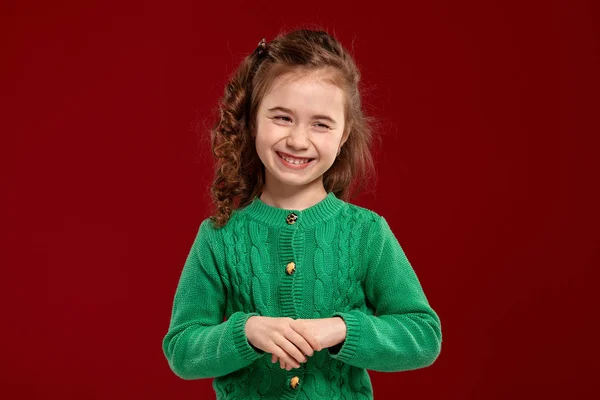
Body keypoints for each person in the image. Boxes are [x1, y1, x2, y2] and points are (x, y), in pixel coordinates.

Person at [162, 28, 442, 399]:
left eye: (321, 124)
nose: (298, 140)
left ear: (343, 136)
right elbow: (182, 350)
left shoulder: (366, 232)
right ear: (251, 120)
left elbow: (422, 336)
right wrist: (246, 331)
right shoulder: (219, 235)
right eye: (282, 117)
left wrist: (341, 329)